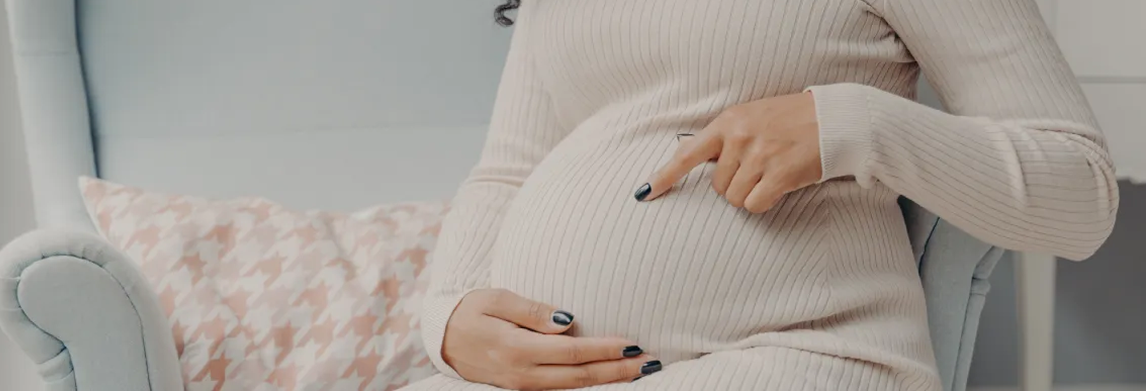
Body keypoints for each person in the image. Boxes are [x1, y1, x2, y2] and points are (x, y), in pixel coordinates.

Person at [404, 0, 1119, 389]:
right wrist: (450, 318)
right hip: (541, 377)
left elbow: (1081, 193)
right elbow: (508, 170)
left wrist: (850, 124)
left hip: (792, 356)